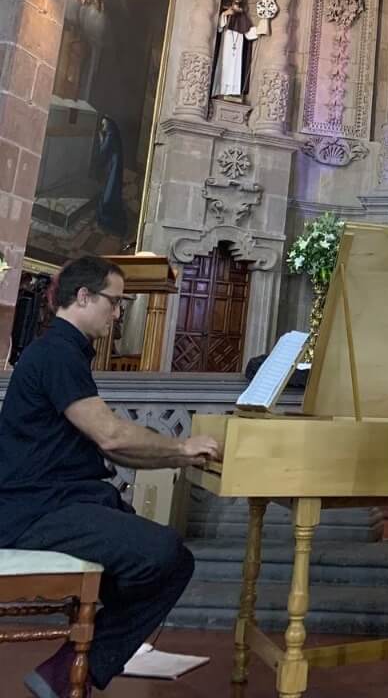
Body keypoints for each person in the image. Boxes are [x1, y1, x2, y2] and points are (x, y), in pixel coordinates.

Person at [0, 256, 221, 698]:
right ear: (83, 297)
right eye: (114, 302)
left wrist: (182, 459)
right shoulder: (57, 353)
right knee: (162, 552)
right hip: (34, 510)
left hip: (56, 503)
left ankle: (69, 667)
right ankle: (67, 671)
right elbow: (112, 437)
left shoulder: (61, 351)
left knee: (168, 560)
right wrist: (181, 446)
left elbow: (107, 445)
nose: (118, 314)